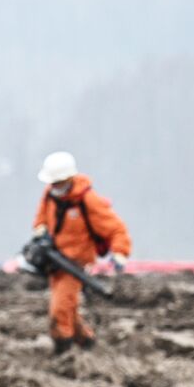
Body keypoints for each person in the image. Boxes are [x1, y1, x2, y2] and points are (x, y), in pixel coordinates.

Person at [31, 151, 133, 353]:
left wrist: (120, 252)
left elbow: (115, 228)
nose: (54, 187)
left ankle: (64, 351)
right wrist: (40, 229)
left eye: (58, 183)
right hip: (55, 262)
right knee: (68, 307)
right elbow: (41, 218)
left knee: (60, 308)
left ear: (69, 178)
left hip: (75, 264)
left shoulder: (87, 200)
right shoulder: (50, 195)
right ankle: (86, 342)